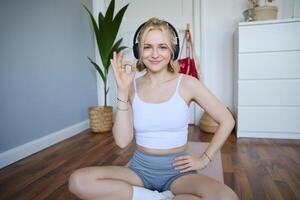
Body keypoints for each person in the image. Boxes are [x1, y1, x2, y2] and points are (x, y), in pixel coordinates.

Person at [68, 18, 239, 200]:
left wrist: (204, 158)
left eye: (163, 47)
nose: (155, 54)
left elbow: (227, 120)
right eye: (148, 47)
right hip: (139, 171)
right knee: (78, 181)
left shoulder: (188, 84)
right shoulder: (131, 86)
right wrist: (122, 90)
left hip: (178, 173)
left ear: (172, 50)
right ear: (138, 51)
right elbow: (122, 141)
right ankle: (159, 197)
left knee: (227, 197)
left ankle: (147, 197)